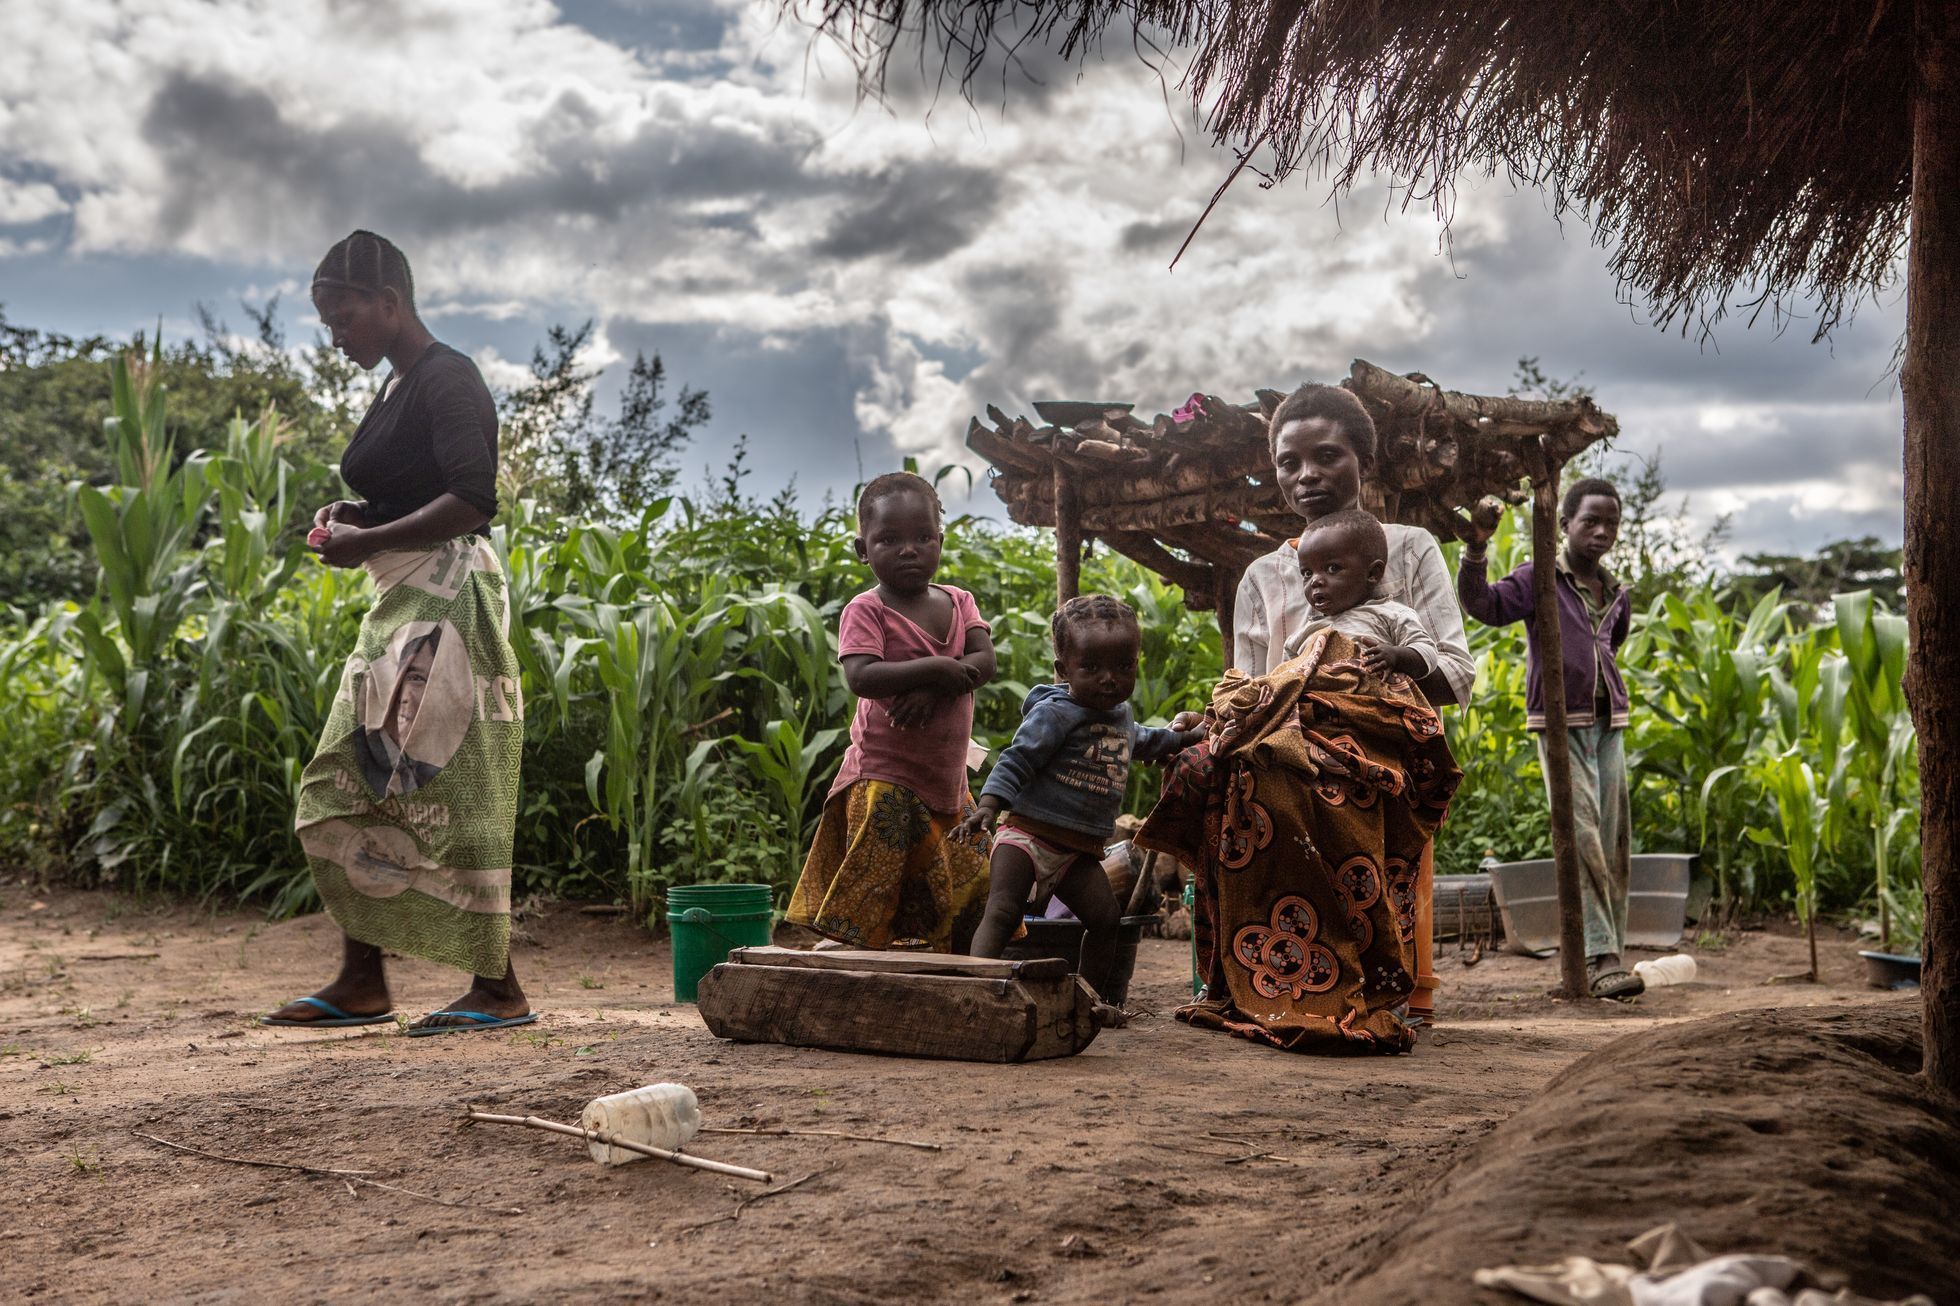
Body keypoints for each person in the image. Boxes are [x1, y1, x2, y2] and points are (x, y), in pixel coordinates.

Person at [263, 230, 535, 1035]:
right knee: (361, 775)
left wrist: (369, 540)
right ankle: (362, 979)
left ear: (390, 303)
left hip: (448, 603)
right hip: (404, 605)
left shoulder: (448, 378)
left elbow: (473, 500)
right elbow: (413, 491)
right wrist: (357, 517)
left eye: (344, 318)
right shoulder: (397, 387)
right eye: (327, 323)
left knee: (439, 781)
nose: (336, 335)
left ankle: (497, 988)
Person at [1228, 383, 1475, 1025]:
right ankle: (1266, 984)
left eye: (1328, 455)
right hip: (1286, 747)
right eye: (1290, 462)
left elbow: (1454, 672)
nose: (1307, 475)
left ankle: (1390, 988)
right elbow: (1248, 686)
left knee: (1359, 786)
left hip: (1383, 750)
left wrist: (1374, 683)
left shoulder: (1410, 548)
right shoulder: (1261, 576)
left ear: (1363, 460)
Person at [786, 472, 999, 952]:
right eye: (889, 539)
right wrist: (941, 667)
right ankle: (849, 949)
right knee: (876, 874)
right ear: (863, 550)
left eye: (923, 537)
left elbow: (983, 663)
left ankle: (954, 954)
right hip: (885, 773)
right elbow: (862, 676)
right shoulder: (867, 610)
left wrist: (933, 686)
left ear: (939, 541)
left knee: (970, 873)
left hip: (947, 778)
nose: (909, 549)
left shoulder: (960, 601)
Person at [960, 595, 1204, 999]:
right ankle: (977, 992)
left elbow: (1145, 740)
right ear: (1063, 670)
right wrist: (988, 806)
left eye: (1123, 667)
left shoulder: (1120, 715)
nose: (1109, 679)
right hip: (1028, 839)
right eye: (1091, 668)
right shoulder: (1054, 713)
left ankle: (1089, 1000)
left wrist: (1184, 738)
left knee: (1106, 920)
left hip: (1079, 853)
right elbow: (1017, 760)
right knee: (1003, 912)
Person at [1456, 478, 1642, 999]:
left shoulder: (1616, 592)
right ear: (1564, 525)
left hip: (1610, 723)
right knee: (1582, 836)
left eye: (1611, 523)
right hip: (1561, 725)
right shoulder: (1540, 577)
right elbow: (1485, 607)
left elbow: (1611, 646)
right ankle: (1599, 957)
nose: (1602, 532)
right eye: (1591, 521)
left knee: (1614, 841)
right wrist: (1475, 549)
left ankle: (1611, 954)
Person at [1280, 510, 1443, 678]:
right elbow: (1282, 681)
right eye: (1307, 573)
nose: (1315, 581)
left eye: (1332, 568)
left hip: (1374, 702)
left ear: (1373, 573)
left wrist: (1396, 656)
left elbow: (1428, 654)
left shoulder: (1392, 615)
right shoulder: (1301, 637)